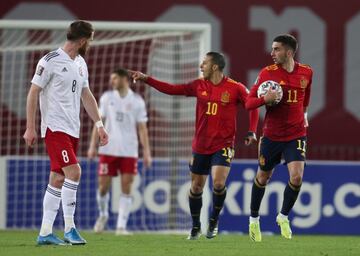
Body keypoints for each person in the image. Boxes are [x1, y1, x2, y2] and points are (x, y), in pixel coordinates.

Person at [132, 52, 259, 240]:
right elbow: (172, 89)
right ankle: (196, 226)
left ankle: (214, 221)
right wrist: (147, 79)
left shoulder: (235, 88)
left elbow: (252, 106)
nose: (201, 66)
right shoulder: (198, 85)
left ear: (215, 66)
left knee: (218, 182)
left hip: (223, 144)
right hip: (200, 145)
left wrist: (252, 131)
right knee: (197, 187)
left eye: (205, 63)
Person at [23, 20, 109, 245]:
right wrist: (30, 127)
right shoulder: (49, 60)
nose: (89, 44)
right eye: (89, 40)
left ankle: (44, 233)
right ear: (82, 40)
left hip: (73, 129)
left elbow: (86, 95)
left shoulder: (80, 63)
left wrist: (99, 125)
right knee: (74, 172)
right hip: (54, 128)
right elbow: (33, 93)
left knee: (58, 178)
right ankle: (70, 228)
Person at [245, 34, 313, 242]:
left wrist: (304, 115)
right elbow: (248, 103)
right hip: (272, 135)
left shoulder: (307, 72)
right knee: (263, 177)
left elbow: (306, 96)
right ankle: (254, 220)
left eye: (277, 49)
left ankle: (283, 217)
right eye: (272, 49)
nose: (272, 53)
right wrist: (264, 99)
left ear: (289, 52)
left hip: (296, 133)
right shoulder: (267, 73)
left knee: (297, 177)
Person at [87, 68, 152, 235]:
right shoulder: (106, 98)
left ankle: (121, 226)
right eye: (112, 78)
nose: (112, 81)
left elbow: (142, 129)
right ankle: (103, 215)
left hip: (129, 150)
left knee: (126, 187)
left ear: (125, 79)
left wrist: (146, 152)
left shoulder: (137, 101)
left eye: (115, 78)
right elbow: (99, 123)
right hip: (108, 149)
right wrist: (92, 146)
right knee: (103, 187)